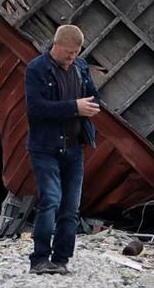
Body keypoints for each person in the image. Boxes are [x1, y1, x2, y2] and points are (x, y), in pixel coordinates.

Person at [23, 24, 100, 274]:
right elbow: (36, 109)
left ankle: (61, 259)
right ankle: (39, 259)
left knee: (71, 207)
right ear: (56, 46)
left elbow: (93, 97)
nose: (72, 58)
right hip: (45, 147)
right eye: (68, 52)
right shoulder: (36, 69)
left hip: (74, 147)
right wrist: (74, 108)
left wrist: (90, 106)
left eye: (76, 52)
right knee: (51, 201)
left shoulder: (81, 67)